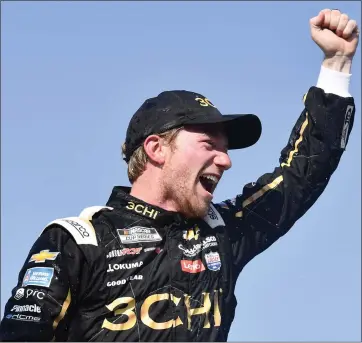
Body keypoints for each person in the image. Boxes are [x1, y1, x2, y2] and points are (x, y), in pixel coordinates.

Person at [0, 8, 359, 342]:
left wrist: (337, 65)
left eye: (226, 149)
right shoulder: (79, 241)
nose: (225, 160)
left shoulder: (222, 231)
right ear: (157, 149)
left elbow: (301, 176)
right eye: (209, 145)